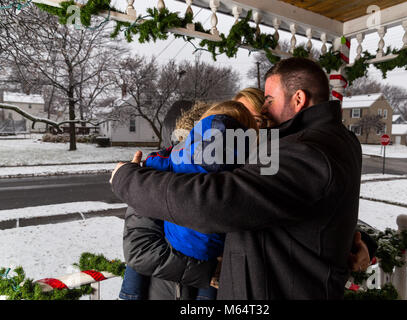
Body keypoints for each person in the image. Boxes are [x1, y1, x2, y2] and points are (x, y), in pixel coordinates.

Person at [111, 57, 373, 299]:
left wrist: (126, 178)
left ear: (298, 99)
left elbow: (216, 202)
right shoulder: (188, 160)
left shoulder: (294, 153)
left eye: (257, 118)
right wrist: (210, 271)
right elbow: (140, 246)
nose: (244, 131)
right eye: (232, 122)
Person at [119, 101, 258, 300]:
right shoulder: (248, 177)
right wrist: (209, 271)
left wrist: (135, 173)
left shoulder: (165, 168)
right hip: (170, 287)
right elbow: (140, 250)